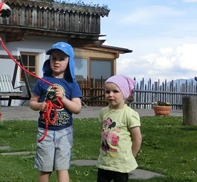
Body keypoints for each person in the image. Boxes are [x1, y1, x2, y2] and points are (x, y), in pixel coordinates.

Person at [29, 42, 83, 182]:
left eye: (61, 59)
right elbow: (32, 102)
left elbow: (77, 108)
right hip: (45, 131)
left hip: (64, 133)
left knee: (62, 167)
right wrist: (40, 106)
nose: (56, 62)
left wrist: (63, 98)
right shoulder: (42, 81)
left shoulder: (71, 84)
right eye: (54, 58)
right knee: (45, 168)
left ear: (69, 61)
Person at [96, 75, 142, 182]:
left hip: (121, 164)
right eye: (107, 92)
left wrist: (131, 156)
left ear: (124, 94)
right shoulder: (103, 112)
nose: (111, 95)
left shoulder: (129, 114)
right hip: (104, 162)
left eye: (115, 91)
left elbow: (137, 139)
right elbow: (103, 130)